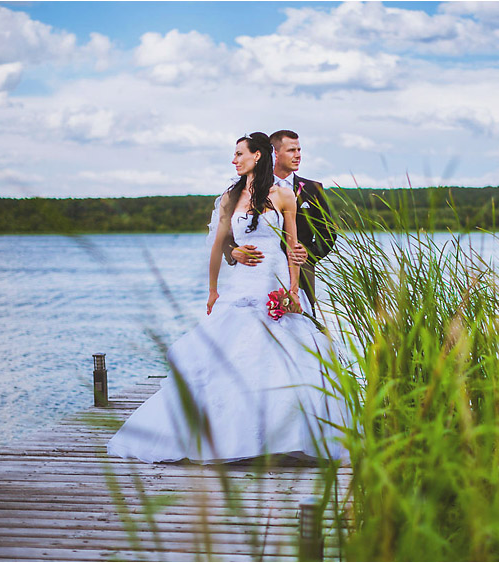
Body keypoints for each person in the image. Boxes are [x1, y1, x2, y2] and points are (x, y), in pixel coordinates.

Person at [107, 132, 348, 464]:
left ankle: (286, 438)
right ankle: (229, 439)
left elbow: (293, 248)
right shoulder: (228, 198)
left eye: (239, 154)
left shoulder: (284, 196)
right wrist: (214, 288)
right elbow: (217, 244)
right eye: (234, 155)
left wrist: (293, 290)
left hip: (275, 280)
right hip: (242, 285)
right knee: (230, 350)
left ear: (258, 156)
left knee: (288, 355)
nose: (234, 160)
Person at [223, 130, 336, 316]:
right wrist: (232, 252)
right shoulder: (247, 189)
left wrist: (309, 253)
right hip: (256, 270)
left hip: (302, 272)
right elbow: (227, 233)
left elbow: (328, 232)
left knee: (303, 328)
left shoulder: (313, 189)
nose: (298, 155)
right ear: (275, 154)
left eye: (299, 150)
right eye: (292, 150)